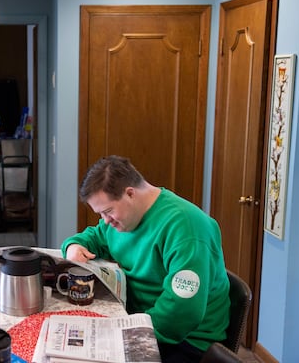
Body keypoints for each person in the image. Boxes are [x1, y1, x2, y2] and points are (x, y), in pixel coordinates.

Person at [61, 155, 230, 363]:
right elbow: (96, 236)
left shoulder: (186, 228)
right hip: (138, 319)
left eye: (108, 211)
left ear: (130, 193)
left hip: (186, 340)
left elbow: (182, 311)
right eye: (101, 214)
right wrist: (74, 246)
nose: (106, 221)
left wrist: (127, 333)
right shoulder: (122, 219)